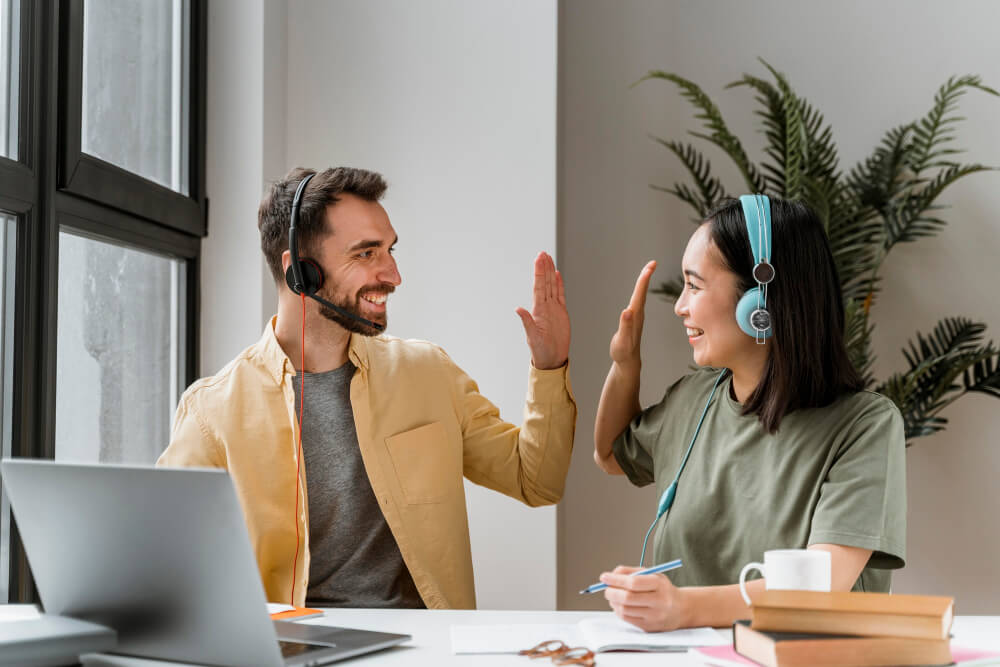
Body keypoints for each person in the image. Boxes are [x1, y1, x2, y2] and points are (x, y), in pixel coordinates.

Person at [158, 167, 576, 610]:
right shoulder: (212, 412)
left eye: (390, 250)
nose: (393, 275)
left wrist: (550, 365)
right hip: (293, 651)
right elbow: (167, 564)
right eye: (366, 254)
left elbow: (538, 482)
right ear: (300, 271)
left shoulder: (427, 373)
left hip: (422, 651)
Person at [593, 195, 905, 631]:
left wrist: (682, 606)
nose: (680, 306)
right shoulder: (693, 400)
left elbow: (824, 583)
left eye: (695, 285)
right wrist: (626, 364)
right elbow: (610, 456)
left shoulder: (865, 425)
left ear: (759, 303)